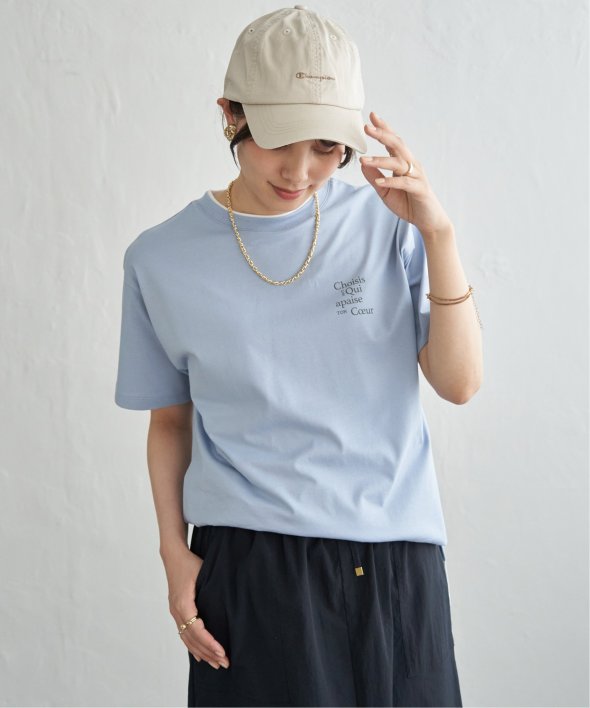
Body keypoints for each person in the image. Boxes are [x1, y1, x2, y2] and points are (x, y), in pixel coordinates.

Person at [114, 6, 483, 707]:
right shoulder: (160, 259)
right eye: (279, 140)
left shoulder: (390, 225)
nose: (301, 170)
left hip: (397, 561)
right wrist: (173, 555)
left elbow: (459, 384)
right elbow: (170, 421)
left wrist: (439, 235)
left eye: (327, 146)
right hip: (251, 564)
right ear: (230, 114)